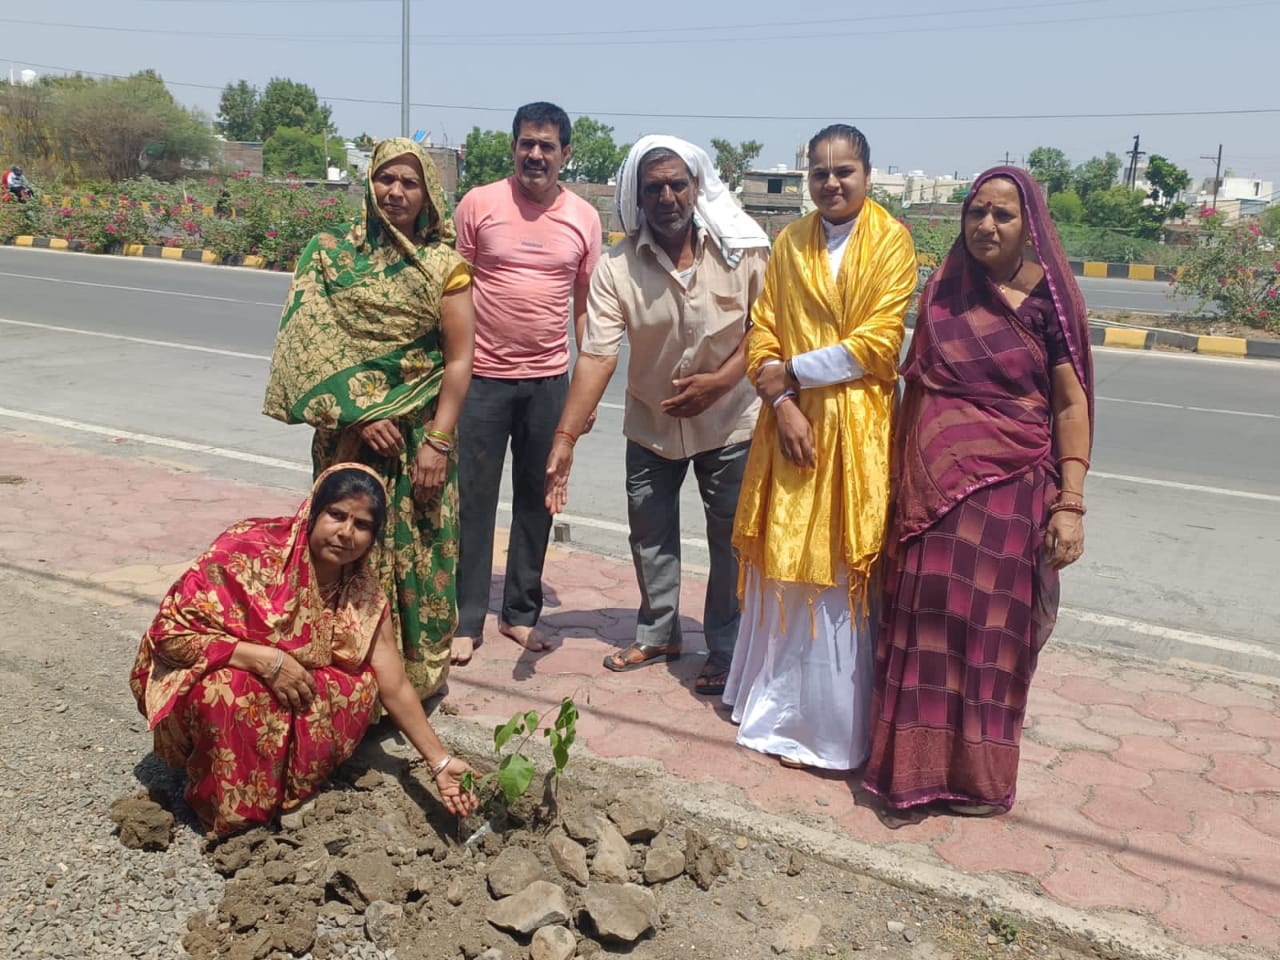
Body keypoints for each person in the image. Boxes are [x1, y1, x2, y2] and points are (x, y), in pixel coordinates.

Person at [862, 165, 1093, 816]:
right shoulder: (944, 290)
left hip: (1011, 492)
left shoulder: (1052, 303)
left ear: (1031, 227)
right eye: (976, 212)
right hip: (929, 492)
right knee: (925, 623)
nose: (986, 225)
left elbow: (1071, 404)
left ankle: (978, 780)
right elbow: (917, 388)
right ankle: (910, 770)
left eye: (1003, 215)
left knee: (989, 637)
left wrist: (1070, 503)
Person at [129, 464, 479, 837]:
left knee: (357, 686)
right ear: (313, 512)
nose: (346, 533)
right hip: (216, 680)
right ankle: (228, 816)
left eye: (361, 525)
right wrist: (263, 658)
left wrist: (440, 763)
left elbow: (393, 684)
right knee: (231, 689)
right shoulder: (248, 549)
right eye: (337, 515)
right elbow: (169, 635)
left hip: (286, 692)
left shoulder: (363, 593)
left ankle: (278, 789)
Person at [545, 136, 769, 694]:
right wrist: (566, 436)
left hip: (731, 422)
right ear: (637, 199)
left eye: (677, 184)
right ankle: (659, 632)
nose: (667, 196)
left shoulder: (745, 252)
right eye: (654, 188)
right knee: (650, 535)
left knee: (731, 540)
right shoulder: (617, 268)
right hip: (651, 424)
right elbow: (597, 354)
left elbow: (767, 329)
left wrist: (719, 383)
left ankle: (726, 647)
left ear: (697, 188)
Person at [723, 125, 916, 771]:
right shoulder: (790, 243)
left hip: (855, 430)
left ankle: (833, 729)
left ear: (868, 174)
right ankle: (777, 710)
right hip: (790, 429)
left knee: (837, 576)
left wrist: (794, 375)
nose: (831, 184)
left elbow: (879, 344)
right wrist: (780, 405)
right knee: (785, 563)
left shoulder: (891, 241)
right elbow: (763, 332)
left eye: (844, 172)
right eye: (820, 174)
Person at [263, 138, 475, 701]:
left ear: (428, 193)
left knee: (420, 553)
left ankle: (413, 679)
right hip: (347, 440)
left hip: (418, 442)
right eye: (386, 179)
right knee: (344, 549)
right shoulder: (329, 256)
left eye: (410, 182)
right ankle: (345, 676)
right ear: (369, 185)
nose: (396, 192)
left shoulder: (443, 266)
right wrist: (357, 416)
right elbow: (304, 343)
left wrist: (438, 441)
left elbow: (459, 360)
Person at [451, 102, 602, 664]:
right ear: (513, 146)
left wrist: (585, 393)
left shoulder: (584, 219)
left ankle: (520, 612)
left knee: (539, 499)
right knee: (474, 501)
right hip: (482, 379)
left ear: (565, 153)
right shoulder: (479, 205)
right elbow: (457, 291)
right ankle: (466, 618)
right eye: (526, 143)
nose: (535, 154)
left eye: (547, 145)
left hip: (548, 382)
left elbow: (586, 309)